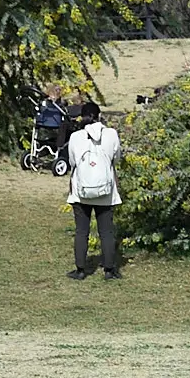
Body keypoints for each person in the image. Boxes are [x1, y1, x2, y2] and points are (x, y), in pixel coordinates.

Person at [65, 100, 122, 280]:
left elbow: (72, 162)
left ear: (82, 117)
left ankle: (80, 270)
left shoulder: (75, 137)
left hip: (81, 191)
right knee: (106, 231)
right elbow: (116, 158)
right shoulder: (111, 134)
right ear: (99, 116)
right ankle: (109, 270)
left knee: (82, 231)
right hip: (105, 191)